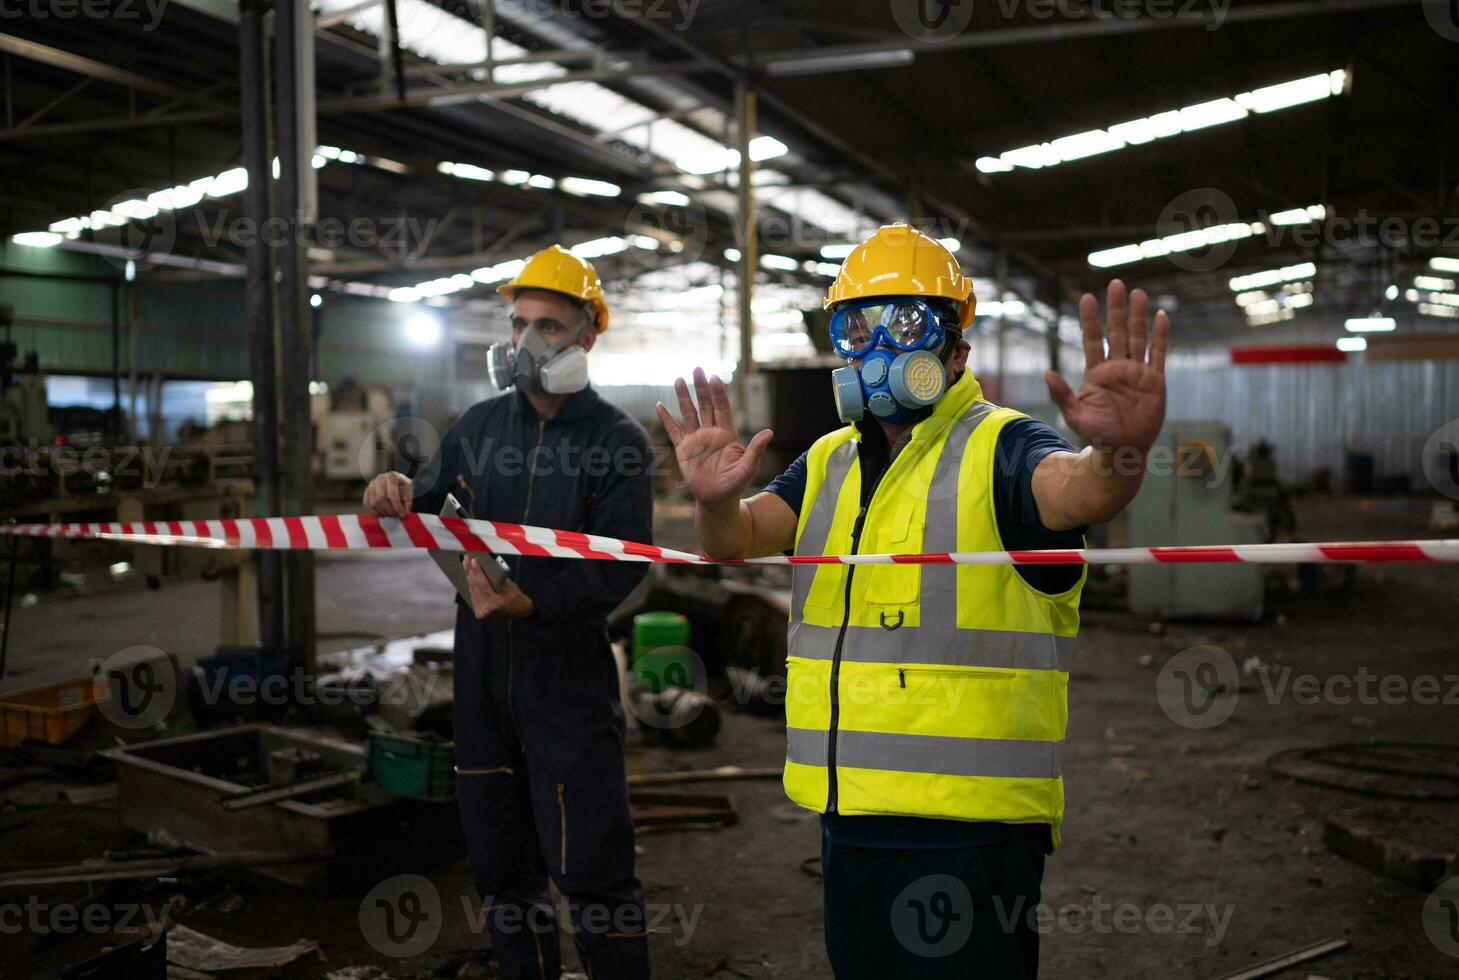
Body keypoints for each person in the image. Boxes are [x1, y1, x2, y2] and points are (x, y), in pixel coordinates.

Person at [657, 222, 1170, 979]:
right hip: (850, 817)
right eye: (856, 327)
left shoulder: (1005, 447)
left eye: (907, 325)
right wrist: (709, 502)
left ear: (955, 350)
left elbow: (1077, 491)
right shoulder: (828, 460)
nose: (878, 349)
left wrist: (1121, 452)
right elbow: (736, 541)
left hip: (970, 832)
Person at [364, 245, 653, 980]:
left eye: (548, 327)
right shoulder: (477, 426)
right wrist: (394, 488)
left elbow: (624, 563)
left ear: (588, 335)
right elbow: (428, 507)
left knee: (592, 878)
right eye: (519, 323)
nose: (526, 343)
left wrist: (537, 601)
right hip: (481, 681)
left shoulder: (616, 442)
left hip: (566, 682)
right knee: (501, 876)